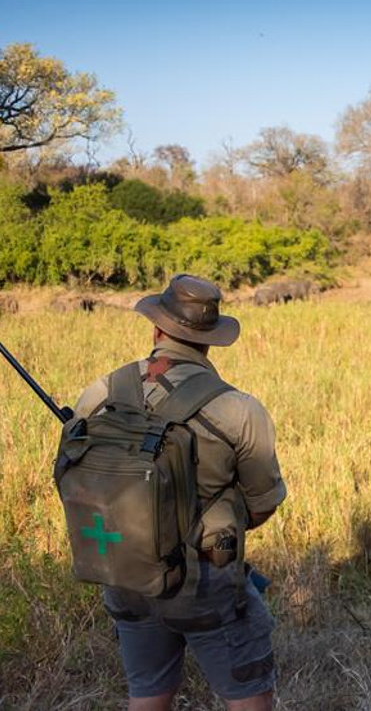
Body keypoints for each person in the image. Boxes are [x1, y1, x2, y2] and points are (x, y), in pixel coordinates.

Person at [73, 275, 287, 711]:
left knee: (147, 697)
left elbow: (76, 476)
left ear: (156, 328)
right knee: (249, 700)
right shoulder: (237, 409)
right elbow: (262, 505)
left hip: (124, 575)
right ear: (210, 340)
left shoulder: (100, 392)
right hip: (204, 582)